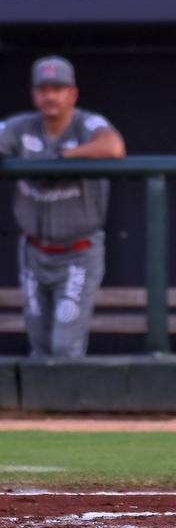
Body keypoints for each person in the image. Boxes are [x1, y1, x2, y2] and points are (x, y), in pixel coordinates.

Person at [0, 57, 126, 358]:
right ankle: (41, 407)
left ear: (73, 93)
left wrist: (65, 157)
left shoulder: (87, 123)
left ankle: (69, 404)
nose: (50, 96)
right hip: (34, 250)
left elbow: (114, 147)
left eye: (58, 88)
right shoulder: (22, 127)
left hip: (78, 252)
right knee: (40, 345)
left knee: (64, 346)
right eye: (43, 89)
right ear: (34, 94)